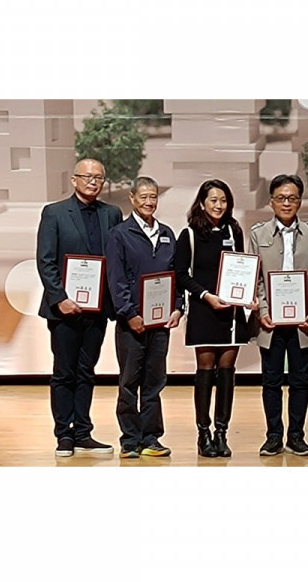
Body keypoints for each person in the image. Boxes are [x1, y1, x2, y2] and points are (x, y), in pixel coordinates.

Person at [36, 158, 123, 458]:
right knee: (64, 372)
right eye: (87, 176)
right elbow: (46, 261)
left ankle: (83, 432)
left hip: (97, 309)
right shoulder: (54, 213)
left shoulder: (112, 213)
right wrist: (60, 297)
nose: (93, 182)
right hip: (63, 309)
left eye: (98, 178)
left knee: (86, 371)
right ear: (74, 180)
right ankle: (64, 434)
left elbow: (117, 259)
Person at [105, 176, 185, 459]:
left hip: (160, 324)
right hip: (132, 324)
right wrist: (129, 314)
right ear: (132, 198)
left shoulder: (167, 234)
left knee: (154, 383)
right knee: (129, 383)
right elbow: (116, 279)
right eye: (144, 196)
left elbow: (176, 276)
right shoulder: (119, 234)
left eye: (153, 197)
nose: (149, 202)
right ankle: (129, 440)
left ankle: (151, 438)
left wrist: (178, 307)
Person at [174, 179, 255, 459]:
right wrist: (206, 295)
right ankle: (203, 433)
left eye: (223, 200)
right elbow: (181, 274)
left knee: (227, 371)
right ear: (202, 202)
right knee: (206, 371)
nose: (219, 205)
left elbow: (242, 267)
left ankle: (222, 433)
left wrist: (247, 295)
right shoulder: (189, 234)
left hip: (231, 313)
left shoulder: (234, 230)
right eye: (213, 200)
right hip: (204, 310)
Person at [248, 174, 308, 457]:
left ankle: (296, 436)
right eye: (281, 198)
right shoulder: (258, 234)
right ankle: (273, 436)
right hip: (270, 323)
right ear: (271, 202)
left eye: (292, 198)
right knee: (271, 381)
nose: (287, 203)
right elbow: (256, 278)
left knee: (300, 381)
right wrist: (264, 311)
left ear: (300, 201)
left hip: (304, 321)